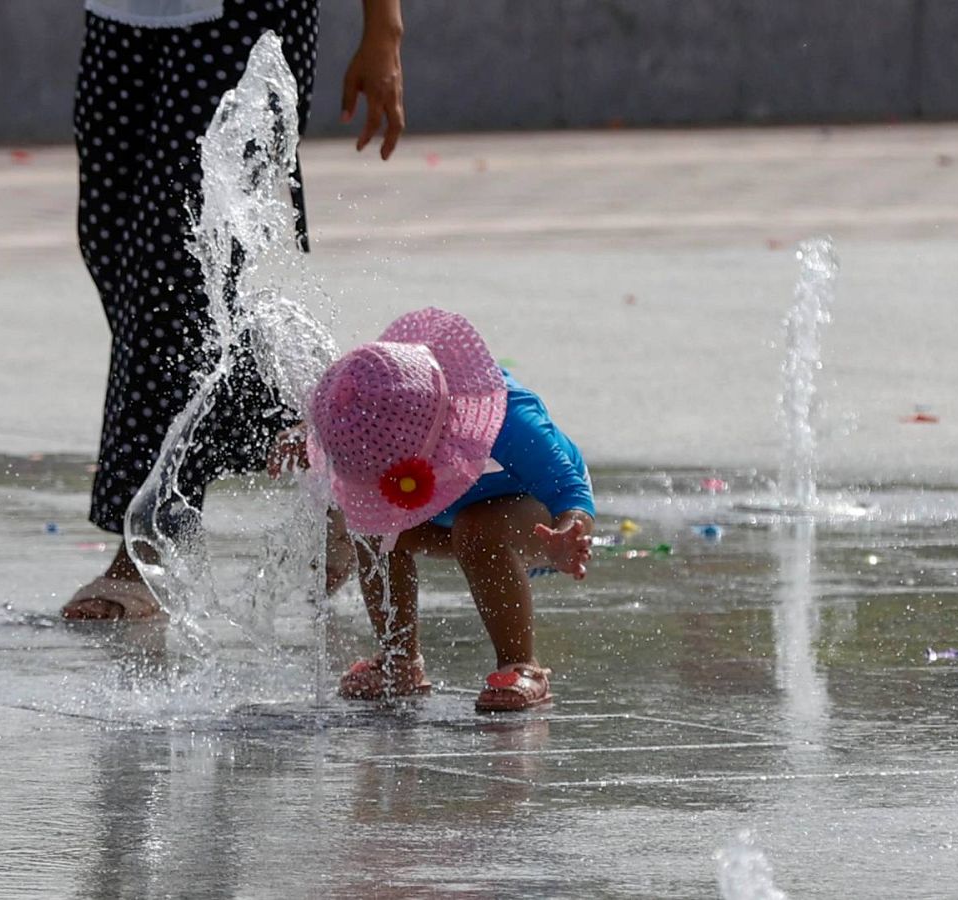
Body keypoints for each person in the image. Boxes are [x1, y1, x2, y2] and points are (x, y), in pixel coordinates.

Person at [62, 0, 406, 620]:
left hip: (242, 15)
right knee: (113, 247)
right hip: (121, 16)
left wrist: (383, 28)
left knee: (176, 269)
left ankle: (147, 550)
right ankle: (340, 458)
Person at [296, 308, 596, 712]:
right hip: (445, 515)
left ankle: (522, 664)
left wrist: (568, 533)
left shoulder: (507, 415)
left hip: (536, 521)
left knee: (479, 530)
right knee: (374, 529)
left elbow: (569, 489)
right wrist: (308, 444)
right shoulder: (377, 416)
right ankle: (399, 659)